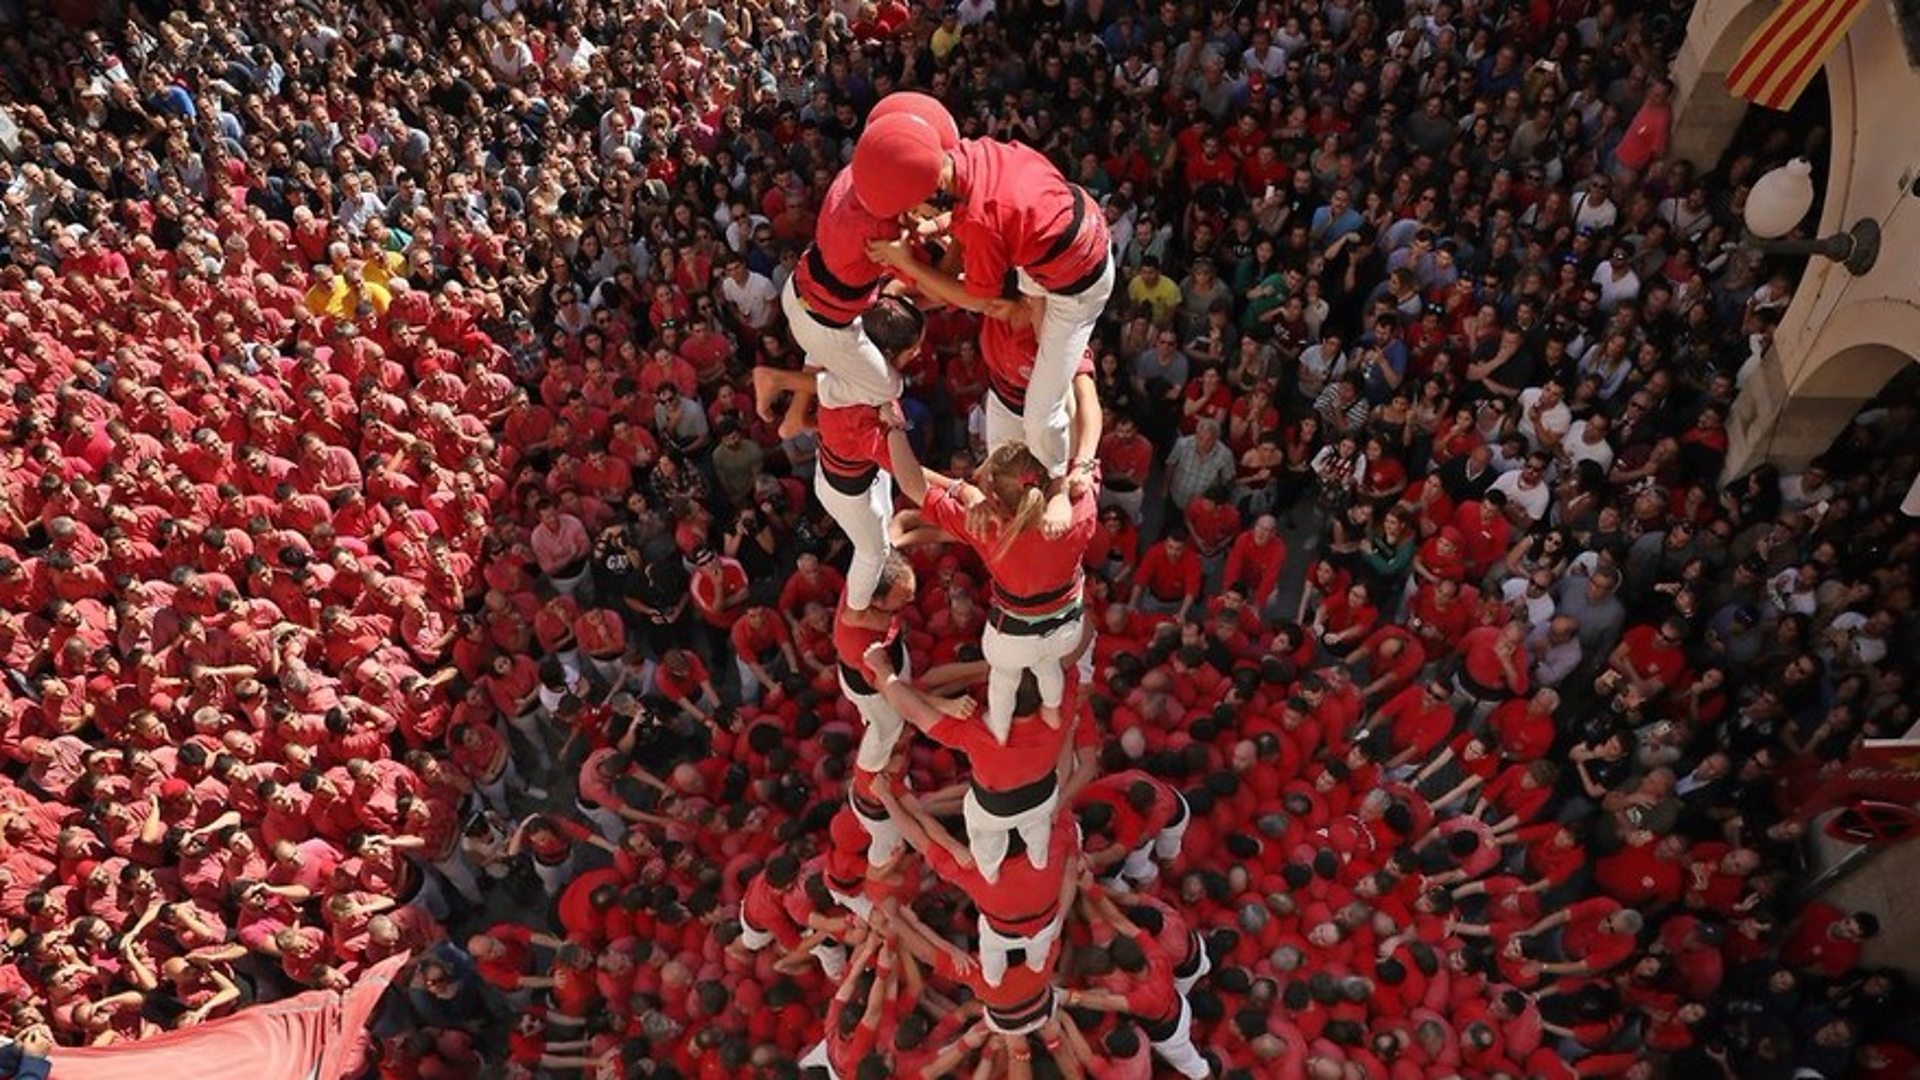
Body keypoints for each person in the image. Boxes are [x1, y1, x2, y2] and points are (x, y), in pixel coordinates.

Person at [857, 115, 1115, 531]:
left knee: (1041, 414)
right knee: (1005, 463)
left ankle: (1054, 493)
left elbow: (977, 296)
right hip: (1054, 238)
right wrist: (922, 250)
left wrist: (906, 263)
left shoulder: (989, 243)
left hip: (1076, 283)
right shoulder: (970, 157)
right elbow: (966, 240)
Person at [886, 426, 1097, 742]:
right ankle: (1051, 710)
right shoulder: (1078, 513)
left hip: (1013, 637)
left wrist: (892, 431)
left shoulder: (985, 525)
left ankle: (999, 730)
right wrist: (1063, 489)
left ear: (994, 496)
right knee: (1049, 664)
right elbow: (1085, 462)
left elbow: (911, 483)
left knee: (1004, 679)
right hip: (1065, 628)